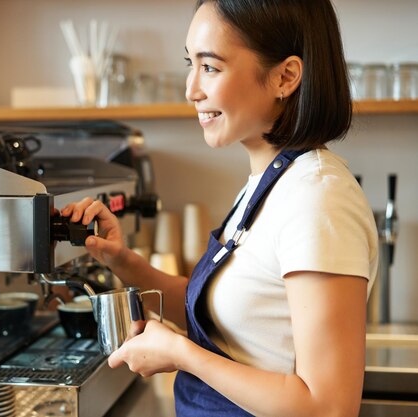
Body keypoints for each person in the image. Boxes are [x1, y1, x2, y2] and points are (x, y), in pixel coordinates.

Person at [61, 0, 379, 416]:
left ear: (285, 76)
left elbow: (328, 407)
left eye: (210, 67)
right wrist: (119, 259)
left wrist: (181, 353)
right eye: (190, 64)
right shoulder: (269, 185)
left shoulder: (318, 198)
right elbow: (217, 313)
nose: (192, 89)